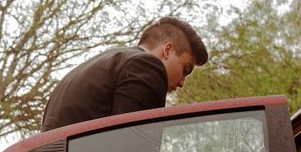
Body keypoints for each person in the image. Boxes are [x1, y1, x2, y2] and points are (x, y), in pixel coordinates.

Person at [41, 16, 208, 131]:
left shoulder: (95, 66)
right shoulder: (146, 65)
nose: (182, 83)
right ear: (168, 50)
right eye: (186, 69)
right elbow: (134, 148)